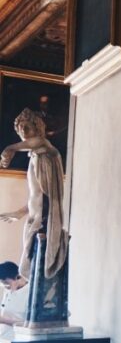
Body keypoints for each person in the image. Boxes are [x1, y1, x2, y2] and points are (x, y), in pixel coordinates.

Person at [0, 108, 68, 280]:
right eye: (20, 128)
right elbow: (36, 196)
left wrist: (10, 148)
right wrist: (19, 213)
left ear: (38, 129)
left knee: (35, 270)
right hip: (33, 220)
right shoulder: (35, 158)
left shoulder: (48, 152)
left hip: (43, 222)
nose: (23, 131)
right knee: (30, 271)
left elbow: (39, 142)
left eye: (27, 127)